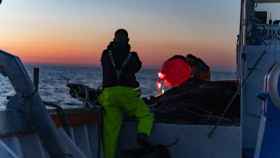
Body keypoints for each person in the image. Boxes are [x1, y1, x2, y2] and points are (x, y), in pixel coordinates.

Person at [98, 29, 154, 158]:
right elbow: (137, 67)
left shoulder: (106, 54)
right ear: (128, 40)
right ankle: (142, 134)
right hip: (128, 94)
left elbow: (105, 65)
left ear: (114, 39)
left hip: (109, 95)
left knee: (110, 133)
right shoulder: (133, 56)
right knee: (145, 115)